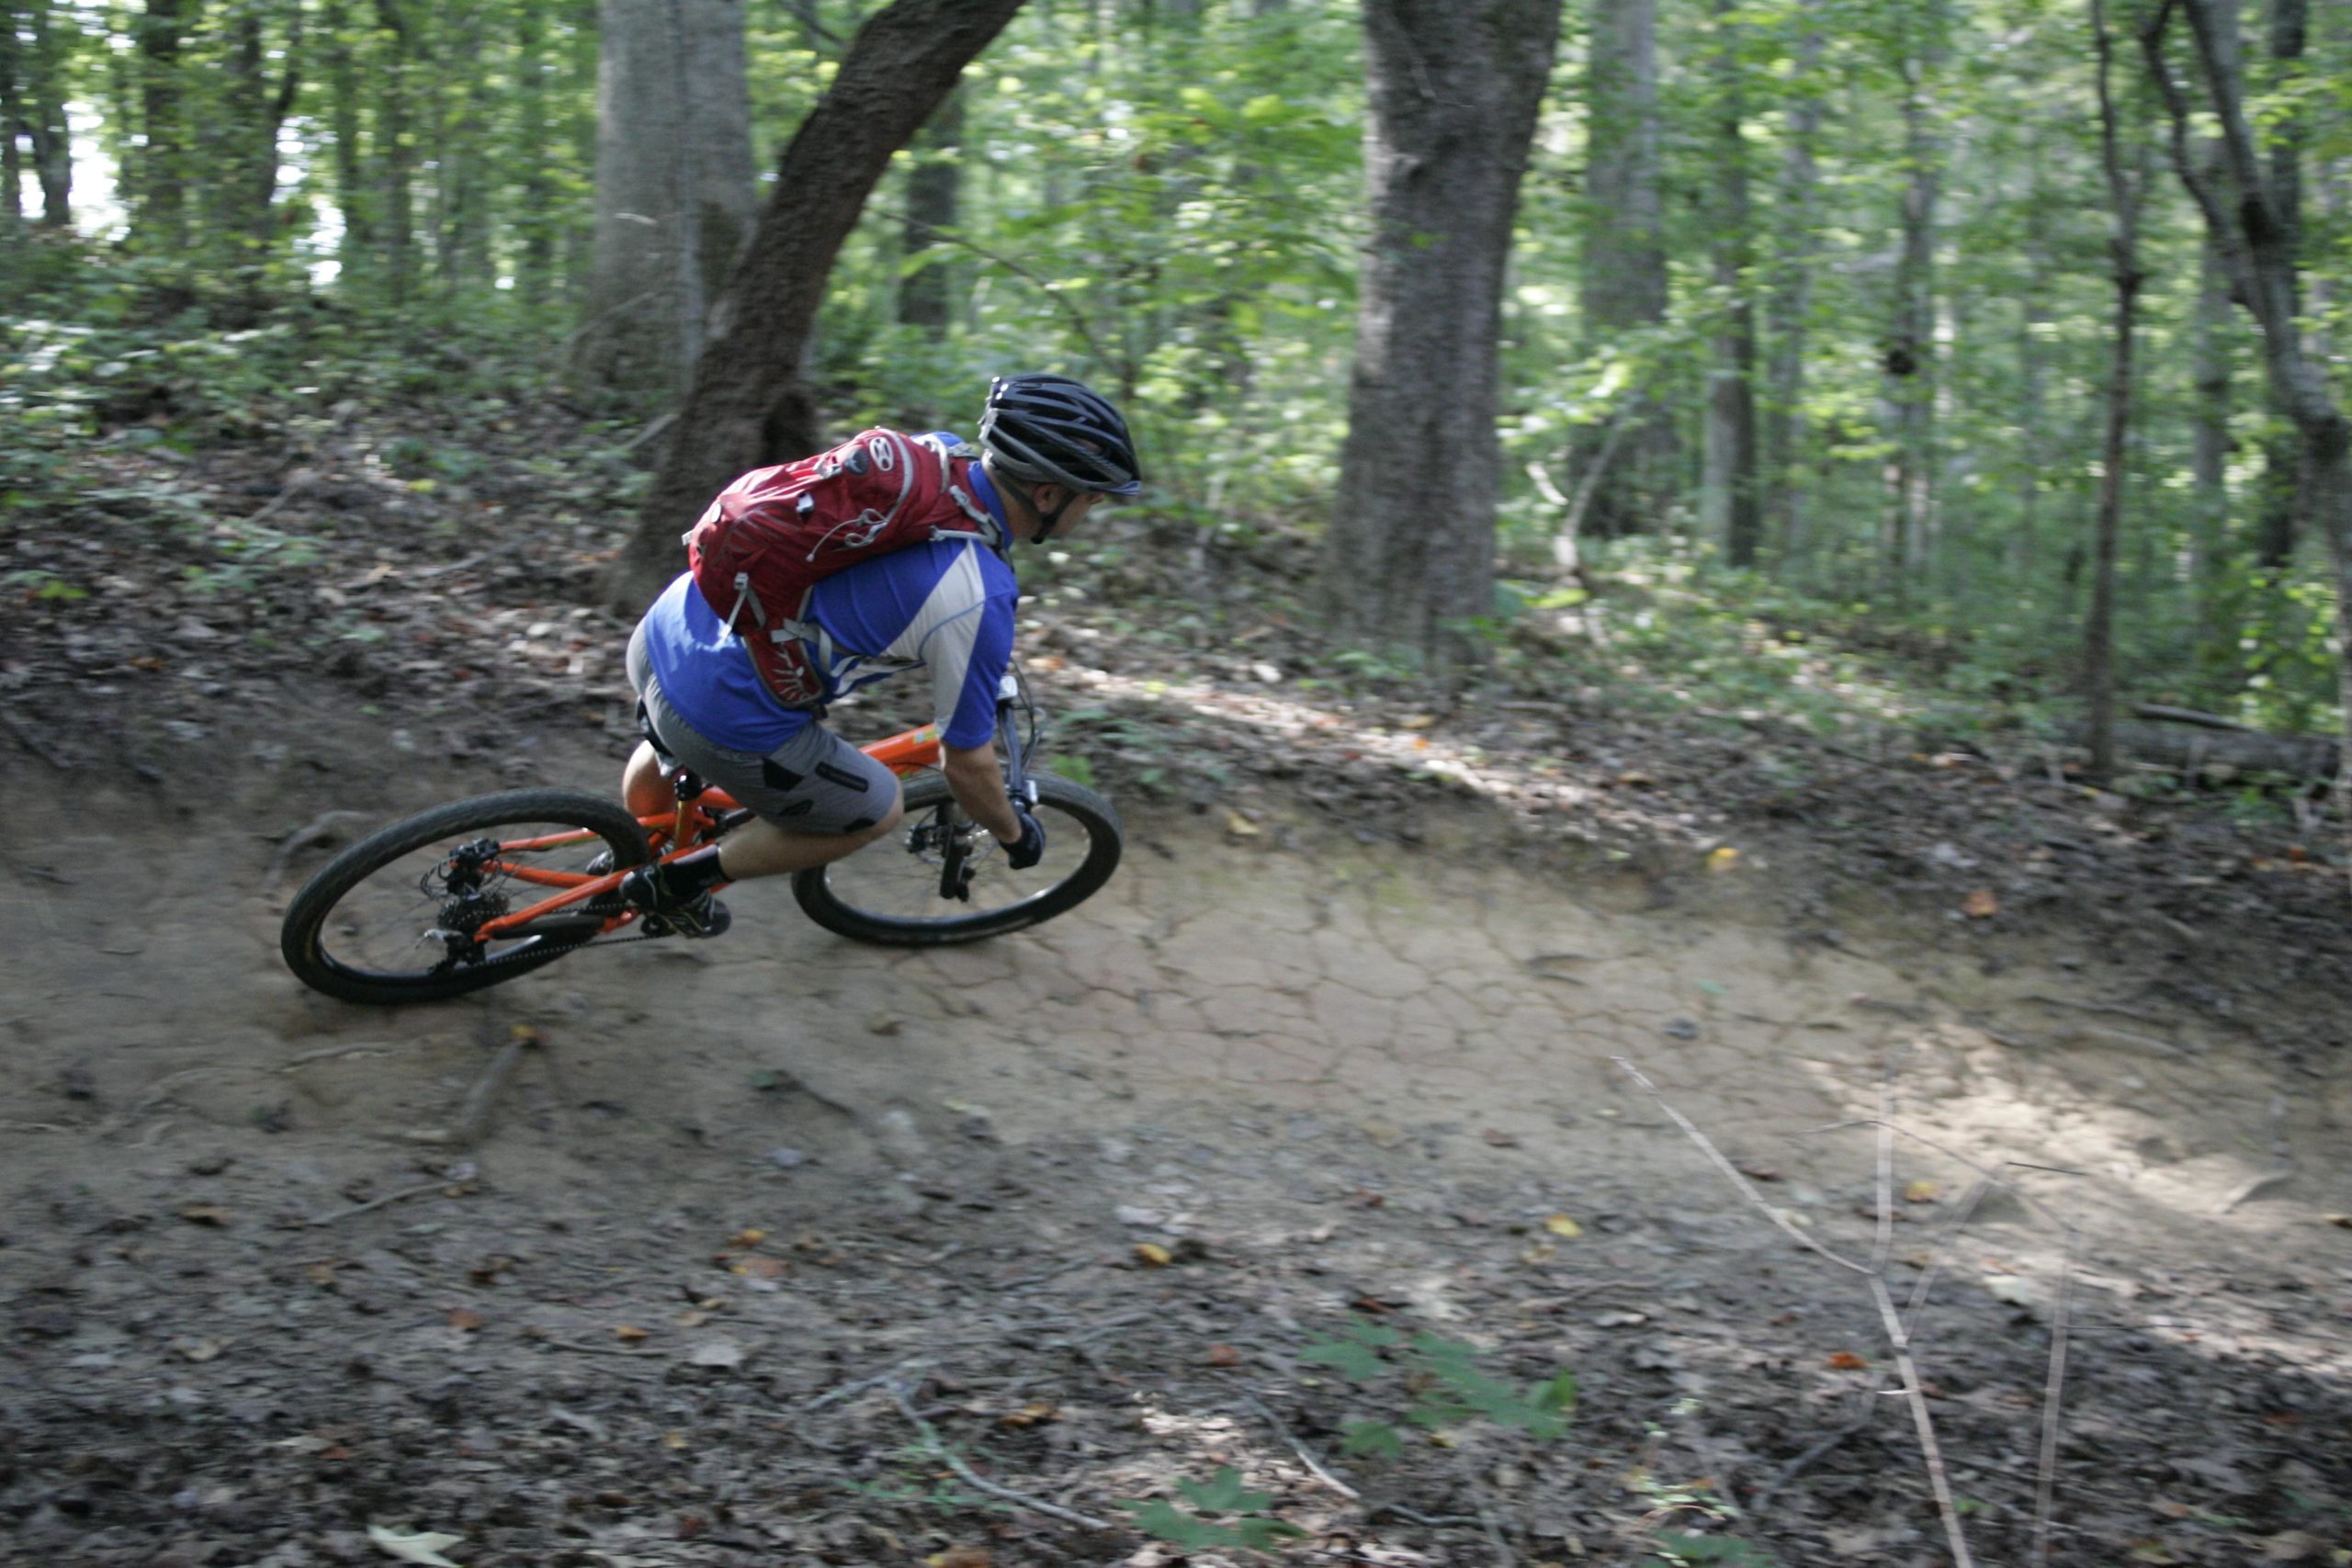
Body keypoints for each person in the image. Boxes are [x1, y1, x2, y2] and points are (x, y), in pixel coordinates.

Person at [616, 373, 1142, 938]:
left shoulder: (936, 456)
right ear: (1047, 495)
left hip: (671, 623)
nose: (1090, 510)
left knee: (671, 735)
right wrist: (1013, 834)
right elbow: (966, 764)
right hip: (720, 706)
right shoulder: (978, 596)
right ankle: (675, 883)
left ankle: (631, 843)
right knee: (876, 809)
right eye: (1090, 498)